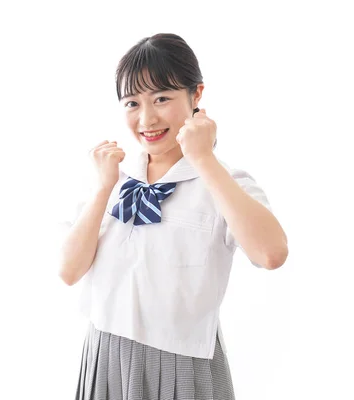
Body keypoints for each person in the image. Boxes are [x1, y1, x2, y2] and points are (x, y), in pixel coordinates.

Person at [58, 33, 289, 400]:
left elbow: (271, 254)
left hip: (183, 363)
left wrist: (204, 159)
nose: (146, 118)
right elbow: (68, 271)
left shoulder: (222, 181)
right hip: (105, 355)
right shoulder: (113, 177)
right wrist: (103, 189)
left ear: (196, 95)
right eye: (132, 103)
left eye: (162, 98)